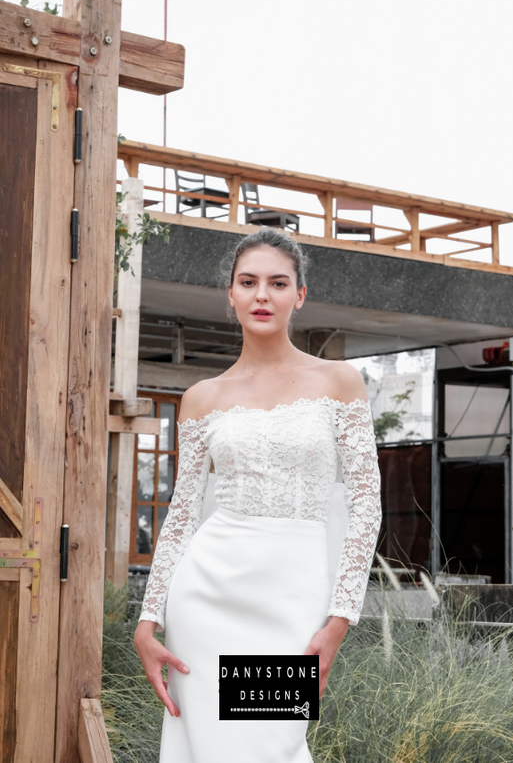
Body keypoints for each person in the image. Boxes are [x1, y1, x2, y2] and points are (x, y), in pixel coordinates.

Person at [134, 227, 382, 762]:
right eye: (248, 282)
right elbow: (180, 514)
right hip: (207, 596)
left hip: (295, 592)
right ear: (231, 293)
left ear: (300, 295)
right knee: (212, 748)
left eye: (277, 282)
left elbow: (367, 503)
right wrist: (147, 620)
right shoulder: (203, 397)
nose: (262, 295)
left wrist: (341, 618)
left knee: (273, 744)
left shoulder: (339, 382)